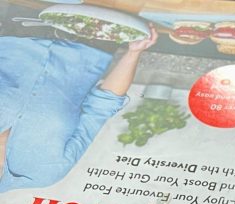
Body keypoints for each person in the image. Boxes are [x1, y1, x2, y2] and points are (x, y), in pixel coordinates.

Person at [0, 26, 158, 193]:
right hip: (94, 40)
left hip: (20, 24)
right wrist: (133, 52)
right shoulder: (45, 172)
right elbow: (101, 107)